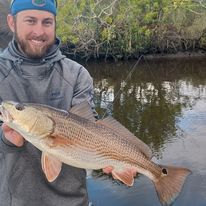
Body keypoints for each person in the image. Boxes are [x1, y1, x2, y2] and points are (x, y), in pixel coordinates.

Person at [0, 0, 100, 205]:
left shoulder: (77, 75)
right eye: (30, 20)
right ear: (12, 22)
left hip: (73, 201)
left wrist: (114, 160)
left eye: (47, 22)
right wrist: (6, 140)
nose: (39, 31)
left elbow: (92, 129)